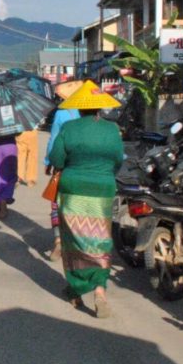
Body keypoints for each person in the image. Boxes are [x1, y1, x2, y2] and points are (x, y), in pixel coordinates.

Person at [47, 80, 124, 318]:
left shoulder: (69, 128)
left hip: (73, 189)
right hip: (102, 189)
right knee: (99, 239)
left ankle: (76, 289)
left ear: (79, 107)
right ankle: (99, 291)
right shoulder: (112, 129)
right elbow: (118, 161)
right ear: (100, 107)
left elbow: (57, 159)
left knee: (74, 241)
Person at [44, 80, 83, 261]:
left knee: (57, 203)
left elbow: (53, 140)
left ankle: (58, 241)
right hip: (82, 165)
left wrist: (48, 161)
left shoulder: (62, 114)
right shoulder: (91, 114)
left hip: (63, 164)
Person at [0, 132, 18, 219]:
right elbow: (19, 132)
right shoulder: (13, 119)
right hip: (10, 147)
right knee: (10, 176)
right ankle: (4, 199)